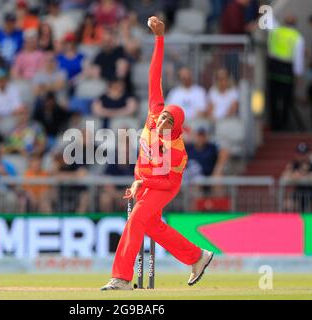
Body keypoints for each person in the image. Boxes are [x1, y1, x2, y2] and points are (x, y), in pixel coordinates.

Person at [101, 17, 213, 291]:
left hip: (164, 186)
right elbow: (155, 73)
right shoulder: (153, 113)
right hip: (146, 182)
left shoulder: (176, 150)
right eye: (163, 117)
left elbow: (165, 181)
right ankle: (197, 256)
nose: (162, 122)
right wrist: (159, 38)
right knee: (151, 226)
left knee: (137, 219)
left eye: (168, 122)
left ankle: (122, 278)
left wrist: (142, 182)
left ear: (177, 129)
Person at [267, 15, 305, 131]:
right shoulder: (297, 38)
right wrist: (298, 76)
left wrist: (262, 5)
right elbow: (298, 60)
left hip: (273, 71)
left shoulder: (276, 30)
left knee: (273, 99)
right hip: (287, 73)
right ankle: (284, 124)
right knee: (286, 100)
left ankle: (274, 124)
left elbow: (269, 21)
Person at [281, 142, 312, 212]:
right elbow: (285, 176)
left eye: (304, 154)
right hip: (298, 194)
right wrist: (293, 176)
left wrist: (303, 176)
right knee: (287, 204)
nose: (302, 156)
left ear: (309, 154)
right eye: (300, 154)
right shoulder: (292, 165)